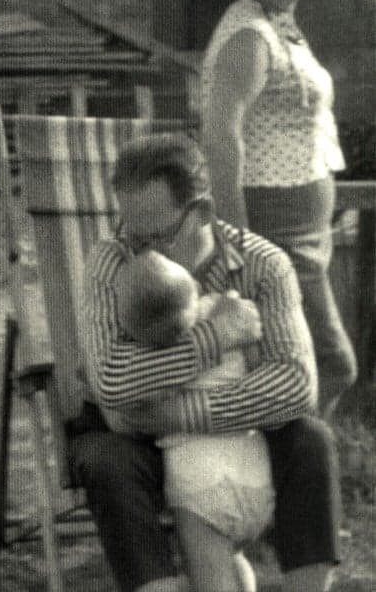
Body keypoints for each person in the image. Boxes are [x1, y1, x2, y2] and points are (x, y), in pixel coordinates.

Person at [69, 131, 341, 592]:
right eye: (133, 234)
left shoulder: (263, 264)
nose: (143, 253)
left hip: (233, 435)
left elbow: (296, 384)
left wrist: (181, 414)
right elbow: (111, 379)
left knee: (312, 439)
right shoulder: (111, 262)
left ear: (203, 213)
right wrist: (216, 337)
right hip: (136, 439)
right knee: (103, 458)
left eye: (158, 237)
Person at [199, 0, 357, 415]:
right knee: (330, 364)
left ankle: (291, 452)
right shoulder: (249, 35)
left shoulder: (278, 23)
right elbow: (220, 136)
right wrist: (237, 241)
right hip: (273, 229)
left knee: (297, 363)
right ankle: (293, 455)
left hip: (305, 229)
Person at [116, 248, 274, 592]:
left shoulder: (153, 357)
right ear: (194, 288)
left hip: (198, 488)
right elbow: (257, 362)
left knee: (212, 580)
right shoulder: (226, 312)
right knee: (234, 558)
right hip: (254, 474)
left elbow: (136, 405)